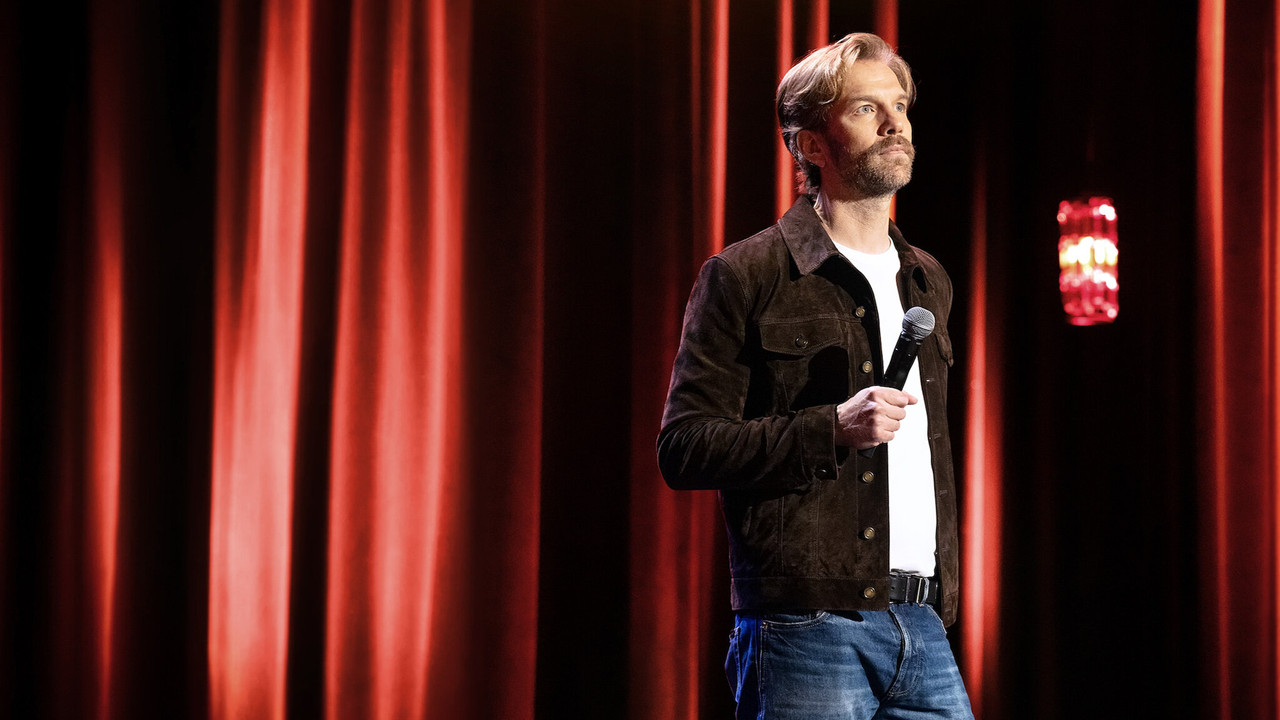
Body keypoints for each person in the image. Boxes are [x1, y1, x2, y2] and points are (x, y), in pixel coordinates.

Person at [656, 33, 973, 719]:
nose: (897, 124)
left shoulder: (929, 278)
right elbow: (683, 448)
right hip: (806, 624)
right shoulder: (748, 274)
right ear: (811, 144)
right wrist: (829, 428)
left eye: (900, 106)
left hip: (922, 623)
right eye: (867, 108)